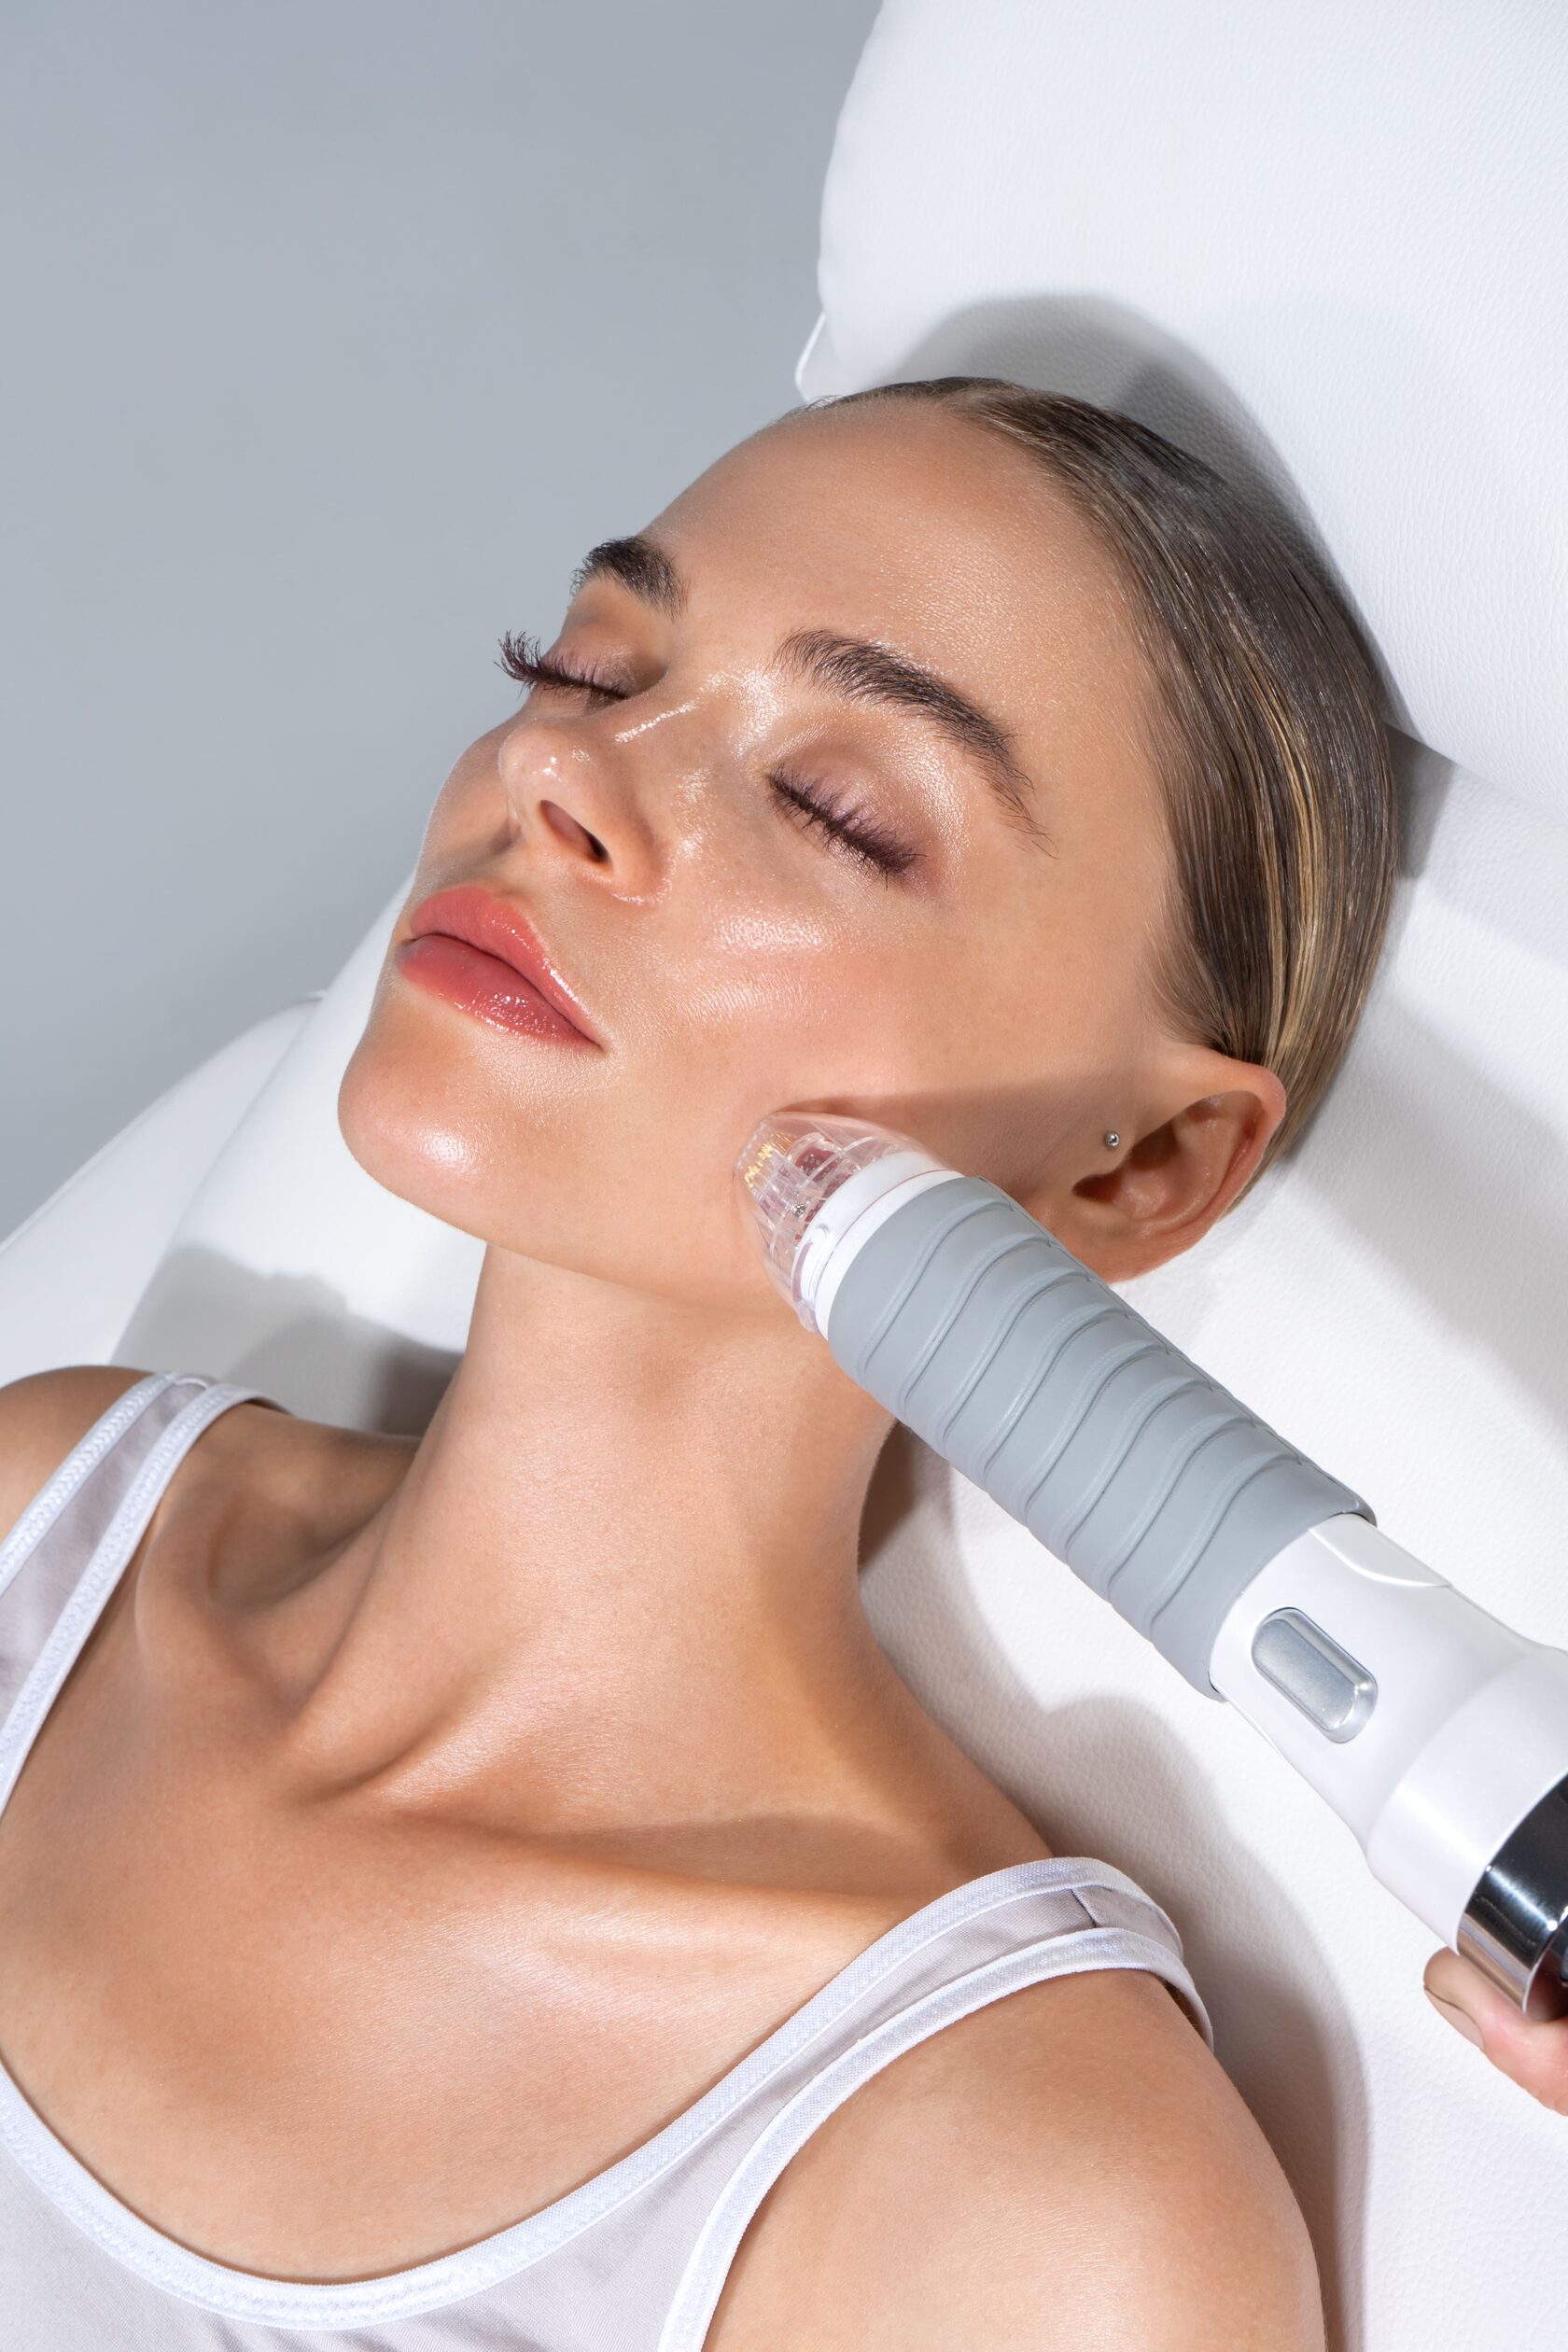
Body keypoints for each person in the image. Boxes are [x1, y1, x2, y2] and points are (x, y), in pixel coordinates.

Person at [0, 376, 1427, 2347]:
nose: (555, 770)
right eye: (584, 667)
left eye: (839, 811)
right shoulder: (42, 1533)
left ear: (1145, 1161)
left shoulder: (1015, 2196)